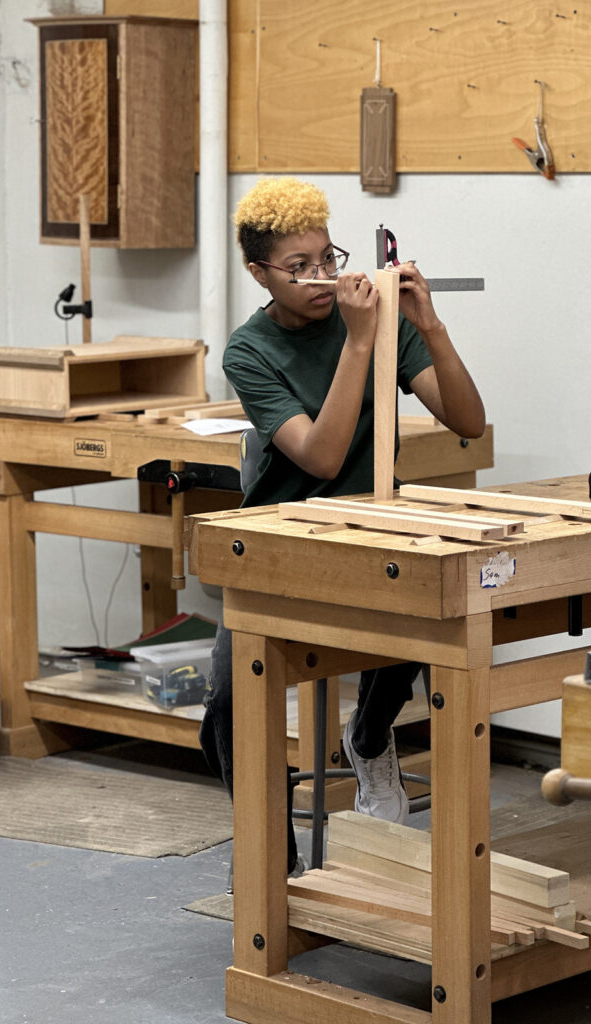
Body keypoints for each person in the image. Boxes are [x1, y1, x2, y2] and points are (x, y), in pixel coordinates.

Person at [199, 177, 485, 873]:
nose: (322, 278)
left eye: (327, 258)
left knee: (433, 605)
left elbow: (467, 423)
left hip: (371, 525)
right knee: (229, 702)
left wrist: (428, 326)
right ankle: (274, 861)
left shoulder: (377, 319)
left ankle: (369, 735)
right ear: (258, 273)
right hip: (281, 537)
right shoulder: (250, 351)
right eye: (299, 268)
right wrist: (360, 342)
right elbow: (322, 457)